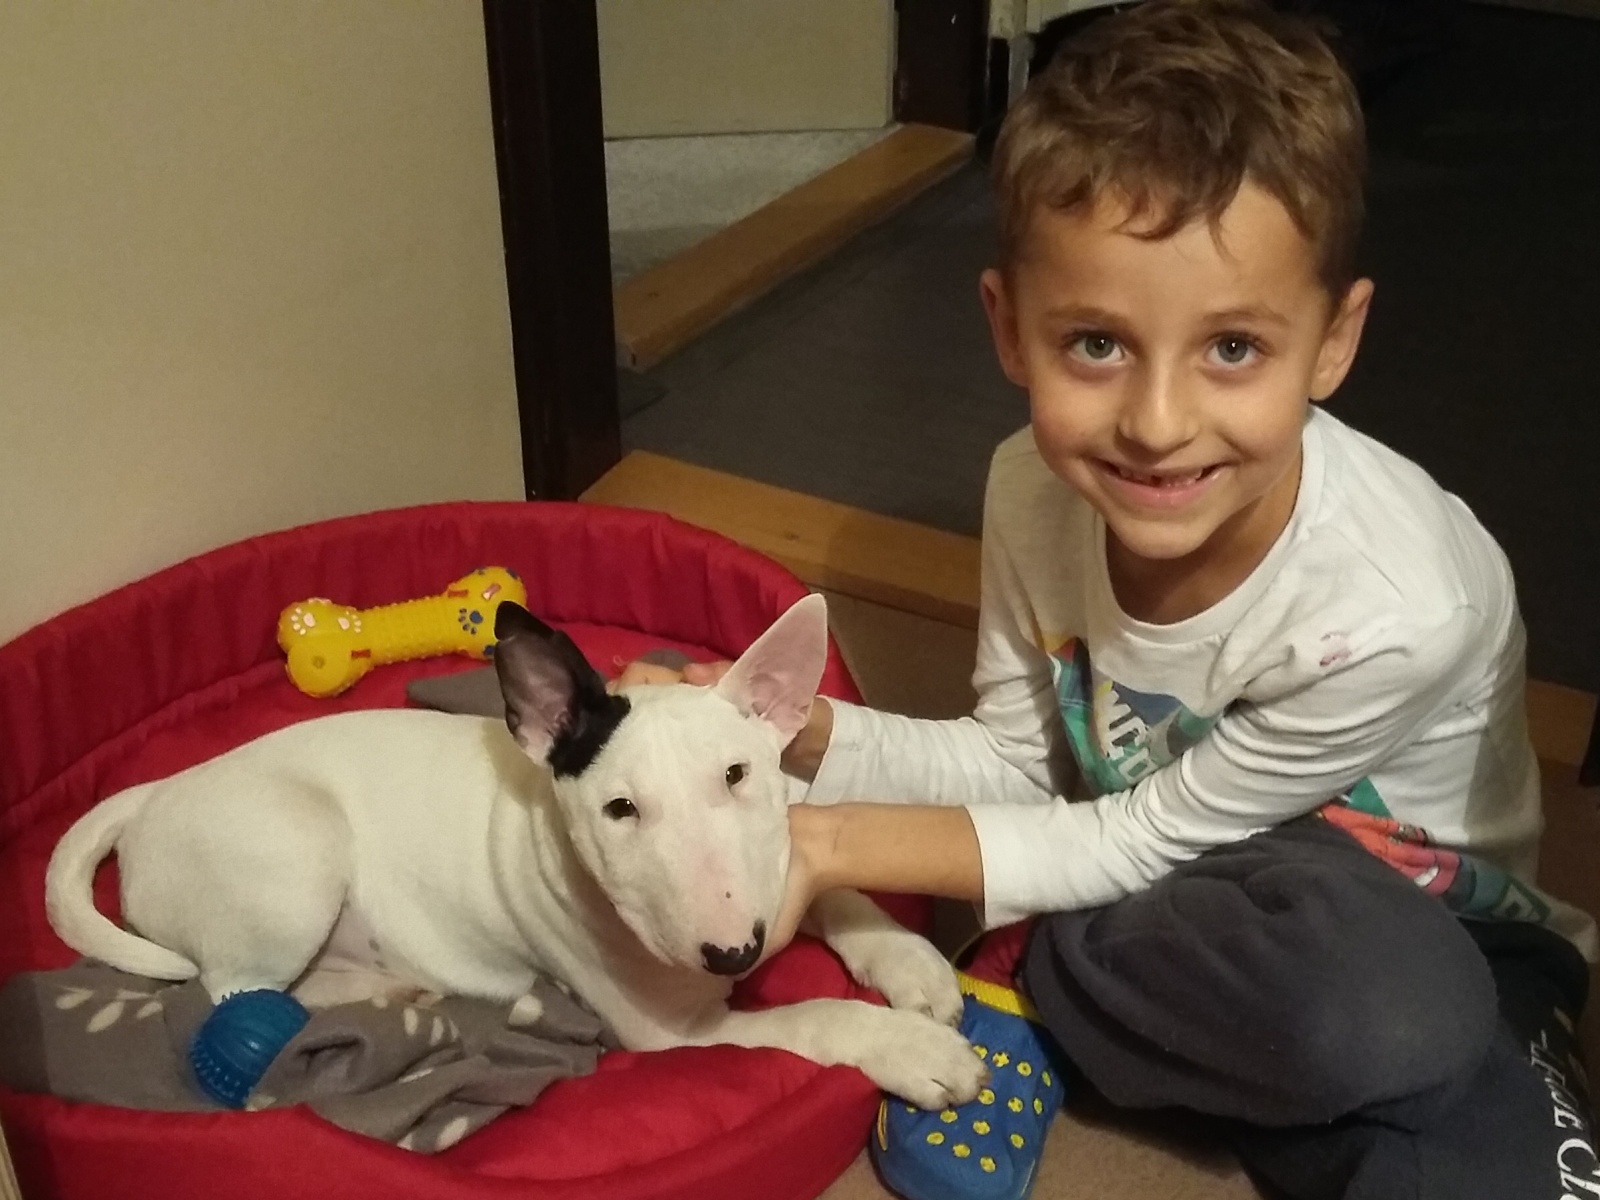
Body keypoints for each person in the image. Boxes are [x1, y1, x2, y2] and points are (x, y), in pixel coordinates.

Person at [622, 2, 1596, 1196]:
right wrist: (791, 735)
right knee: (1388, 1036)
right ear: (1008, 329)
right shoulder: (1029, 488)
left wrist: (823, 841)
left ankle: (1060, 988)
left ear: (1334, 341)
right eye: (1095, 343)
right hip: (1192, 893)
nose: (1156, 423)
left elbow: (1131, 837)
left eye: (1232, 348)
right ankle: (1136, 1016)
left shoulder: (1401, 609)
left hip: (1414, 926)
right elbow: (1014, 761)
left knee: (1419, 1037)